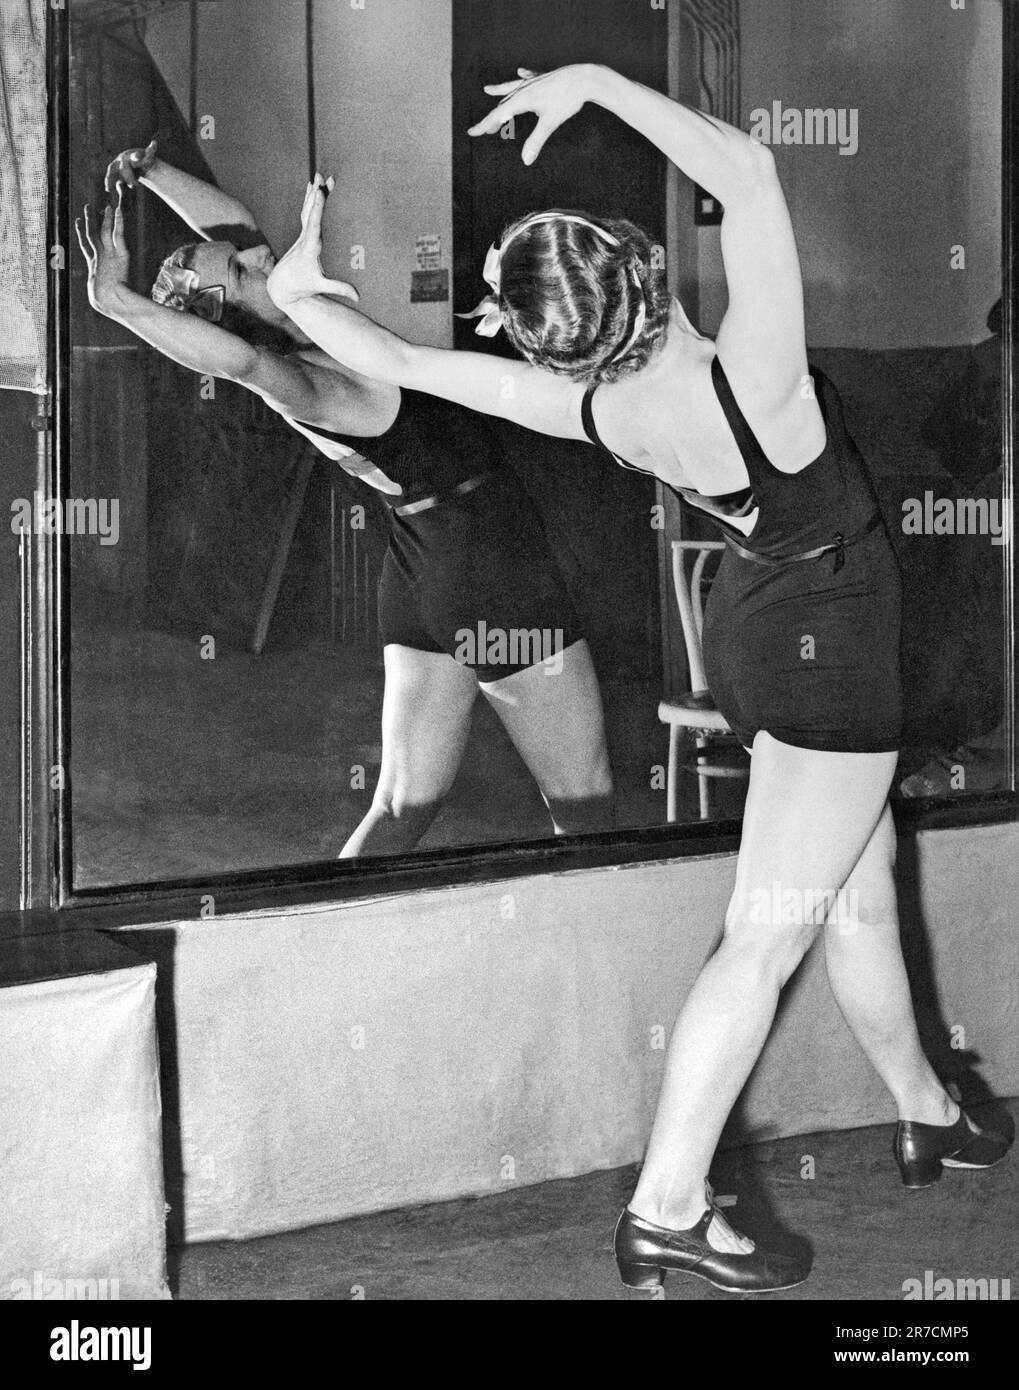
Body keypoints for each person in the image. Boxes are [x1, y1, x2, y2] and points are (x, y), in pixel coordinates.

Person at [263, 64, 1010, 1292]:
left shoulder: (586, 409)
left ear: (546, 339)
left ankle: (931, 1109)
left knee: (854, 881)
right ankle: (667, 1204)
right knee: (768, 935)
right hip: (828, 633)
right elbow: (751, 171)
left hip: (759, 634)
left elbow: (407, 362)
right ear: (642, 269)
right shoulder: (748, 371)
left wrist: (299, 297)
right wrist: (597, 85)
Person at [75, 143, 614, 859]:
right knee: (585, 801)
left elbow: (231, 221)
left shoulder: (300, 319)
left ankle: (329, 930)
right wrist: (117, 303)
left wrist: (148, 173)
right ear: (229, 315)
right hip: (489, 573)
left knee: (400, 807)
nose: (257, 257)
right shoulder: (302, 380)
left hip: (423, 575)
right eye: (239, 272)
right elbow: (239, 364)